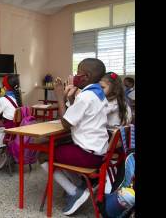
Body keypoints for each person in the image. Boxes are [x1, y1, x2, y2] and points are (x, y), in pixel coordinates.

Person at [40, 58, 109, 215]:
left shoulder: (85, 97)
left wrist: (59, 96)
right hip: (99, 152)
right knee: (57, 146)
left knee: (43, 155)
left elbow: (66, 123)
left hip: (88, 155)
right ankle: (81, 184)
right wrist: (70, 96)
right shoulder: (98, 93)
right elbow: (80, 113)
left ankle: (74, 192)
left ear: (86, 76)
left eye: (78, 72)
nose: (75, 75)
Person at [0, 75, 22, 169]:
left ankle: (4, 153)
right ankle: (7, 153)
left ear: (4, 88)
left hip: (8, 134)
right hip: (18, 132)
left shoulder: (3, 100)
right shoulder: (18, 98)